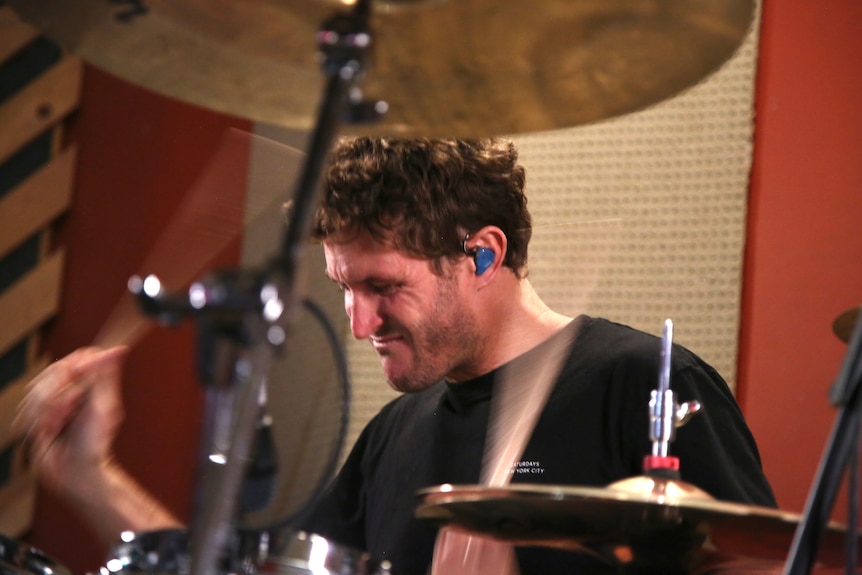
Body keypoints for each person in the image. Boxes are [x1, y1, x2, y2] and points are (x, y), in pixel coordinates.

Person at [15, 137, 776, 574]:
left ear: (482, 255)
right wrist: (93, 479)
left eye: (382, 286)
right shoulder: (395, 434)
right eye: (345, 288)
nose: (359, 323)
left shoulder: (638, 382)